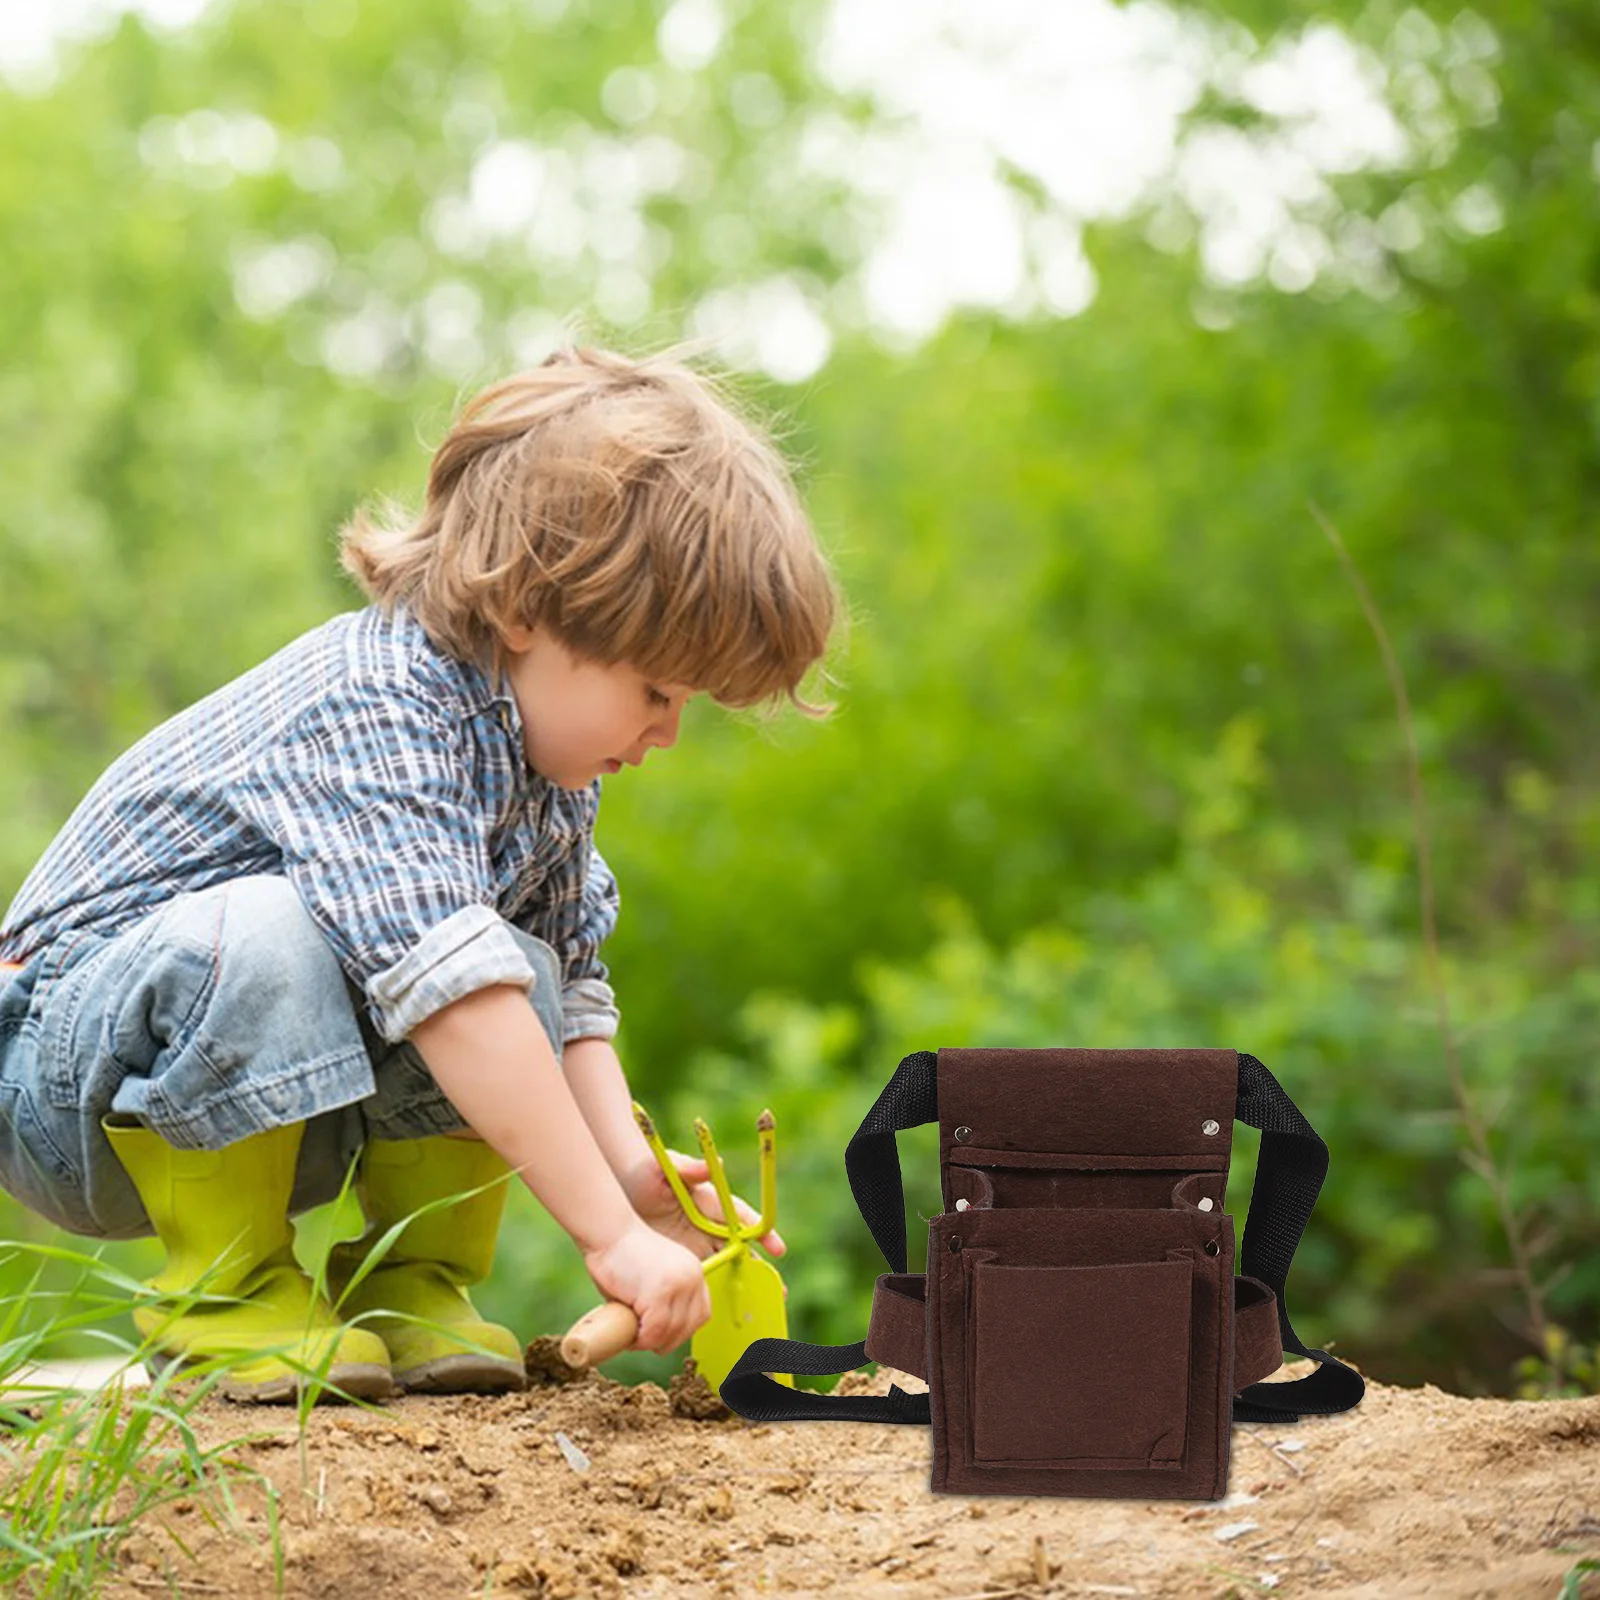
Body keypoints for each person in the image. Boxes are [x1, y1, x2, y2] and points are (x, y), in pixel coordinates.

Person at [0, 343, 839, 1403]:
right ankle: (226, 1290)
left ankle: (412, 1286)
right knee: (314, 939)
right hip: (63, 1084)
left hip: (277, 1099)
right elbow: (452, 998)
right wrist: (608, 1239)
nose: (668, 733)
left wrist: (635, 1180)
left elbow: (567, 999)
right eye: (657, 692)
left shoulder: (545, 773)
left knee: (520, 962)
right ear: (528, 610)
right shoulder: (381, 702)